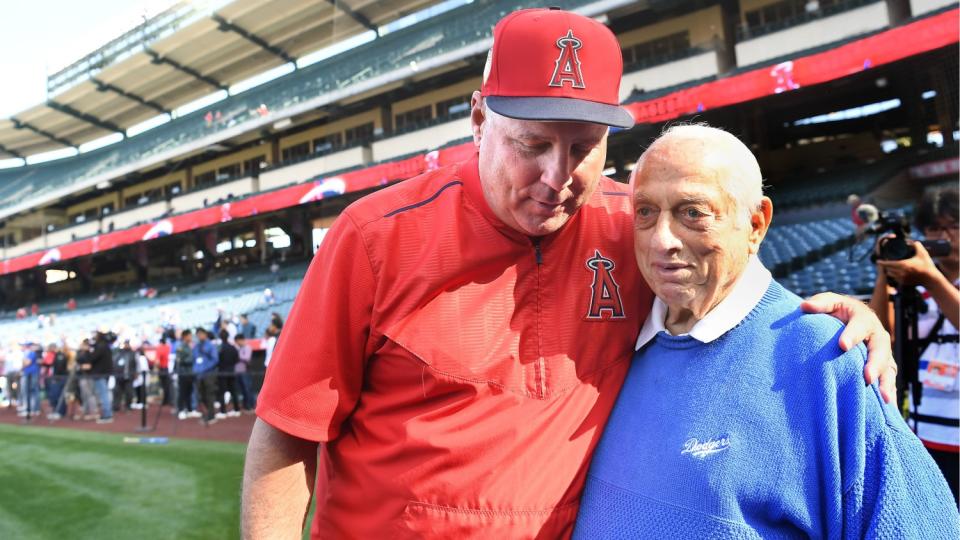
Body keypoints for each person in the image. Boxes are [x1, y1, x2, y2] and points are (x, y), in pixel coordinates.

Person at [242, 9, 895, 538]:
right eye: (533, 144)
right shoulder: (375, 236)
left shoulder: (632, 226)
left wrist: (824, 318)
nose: (558, 177)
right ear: (478, 122)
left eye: (584, 148)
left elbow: (724, 293)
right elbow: (289, 433)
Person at [573, 125, 959, 537]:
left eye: (693, 212)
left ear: (756, 225)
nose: (661, 240)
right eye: (646, 212)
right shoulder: (612, 335)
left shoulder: (828, 356)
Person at [870, 187, 960, 503]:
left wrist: (931, 278)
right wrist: (885, 273)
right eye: (935, 228)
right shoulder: (914, 288)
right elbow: (883, 335)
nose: (946, 236)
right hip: (924, 431)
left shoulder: (928, 282)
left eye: (954, 225)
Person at [192, 328, 219, 425]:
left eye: (201, 334)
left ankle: (211, 415)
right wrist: (196, 370)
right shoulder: (196, 346)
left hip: (209, 374)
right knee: (201, 395)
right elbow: (194, 359)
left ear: (205, 334)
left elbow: (215, 359)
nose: (199, 336)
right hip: (199, 375)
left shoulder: (210, 346)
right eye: (197, 334)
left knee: (209, 395)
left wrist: (205, 368)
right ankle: (207, 413)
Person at [88, 331, 114, 423]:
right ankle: (107, 413)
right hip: (105, 373)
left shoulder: (100, 346)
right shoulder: (106, 346)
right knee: (104, 394)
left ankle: (107, 415)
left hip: (100, 374)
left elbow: (92, 358)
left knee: (104, 395)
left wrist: (89, 351)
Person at [175, 329, 199, 420]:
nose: (191, 337)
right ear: (185, 336)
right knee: (182, 392)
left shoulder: (190, 346)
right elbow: (180, 360)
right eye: (189, 336)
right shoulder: (180, 347)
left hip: (190, 372)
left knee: (189, 391)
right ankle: (181, 410)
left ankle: (190, 410)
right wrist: (192, 359)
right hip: (183, 373)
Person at [216, 329, 240, 418]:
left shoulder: (220, 348)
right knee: (234, 391)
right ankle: (237, 409)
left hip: (222, 372)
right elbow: (237, 359)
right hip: (231, 371)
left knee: (222, 392)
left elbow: (217, 360)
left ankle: (223, 411)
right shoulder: (232, 347)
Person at [234, 333, 256, 412]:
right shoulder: (239, 348)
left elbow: (247, 358)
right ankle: (246, 405)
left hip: (246, 371)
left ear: (240, 340)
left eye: (237, 341)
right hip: (239, 371)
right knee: (243, 389)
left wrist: (238, 355)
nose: (237, 343)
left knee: (248, 388)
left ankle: (251, 405)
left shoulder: (247, 347)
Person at [155, 337, 173, 408]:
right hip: (169, 368)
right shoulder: (169, 347)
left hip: (163, 368)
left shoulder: (159, 348)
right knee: (169, 385)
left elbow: (157, 361)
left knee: (164, 386)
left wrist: (157, 368)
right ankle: (169, 400)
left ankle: (166, 400)